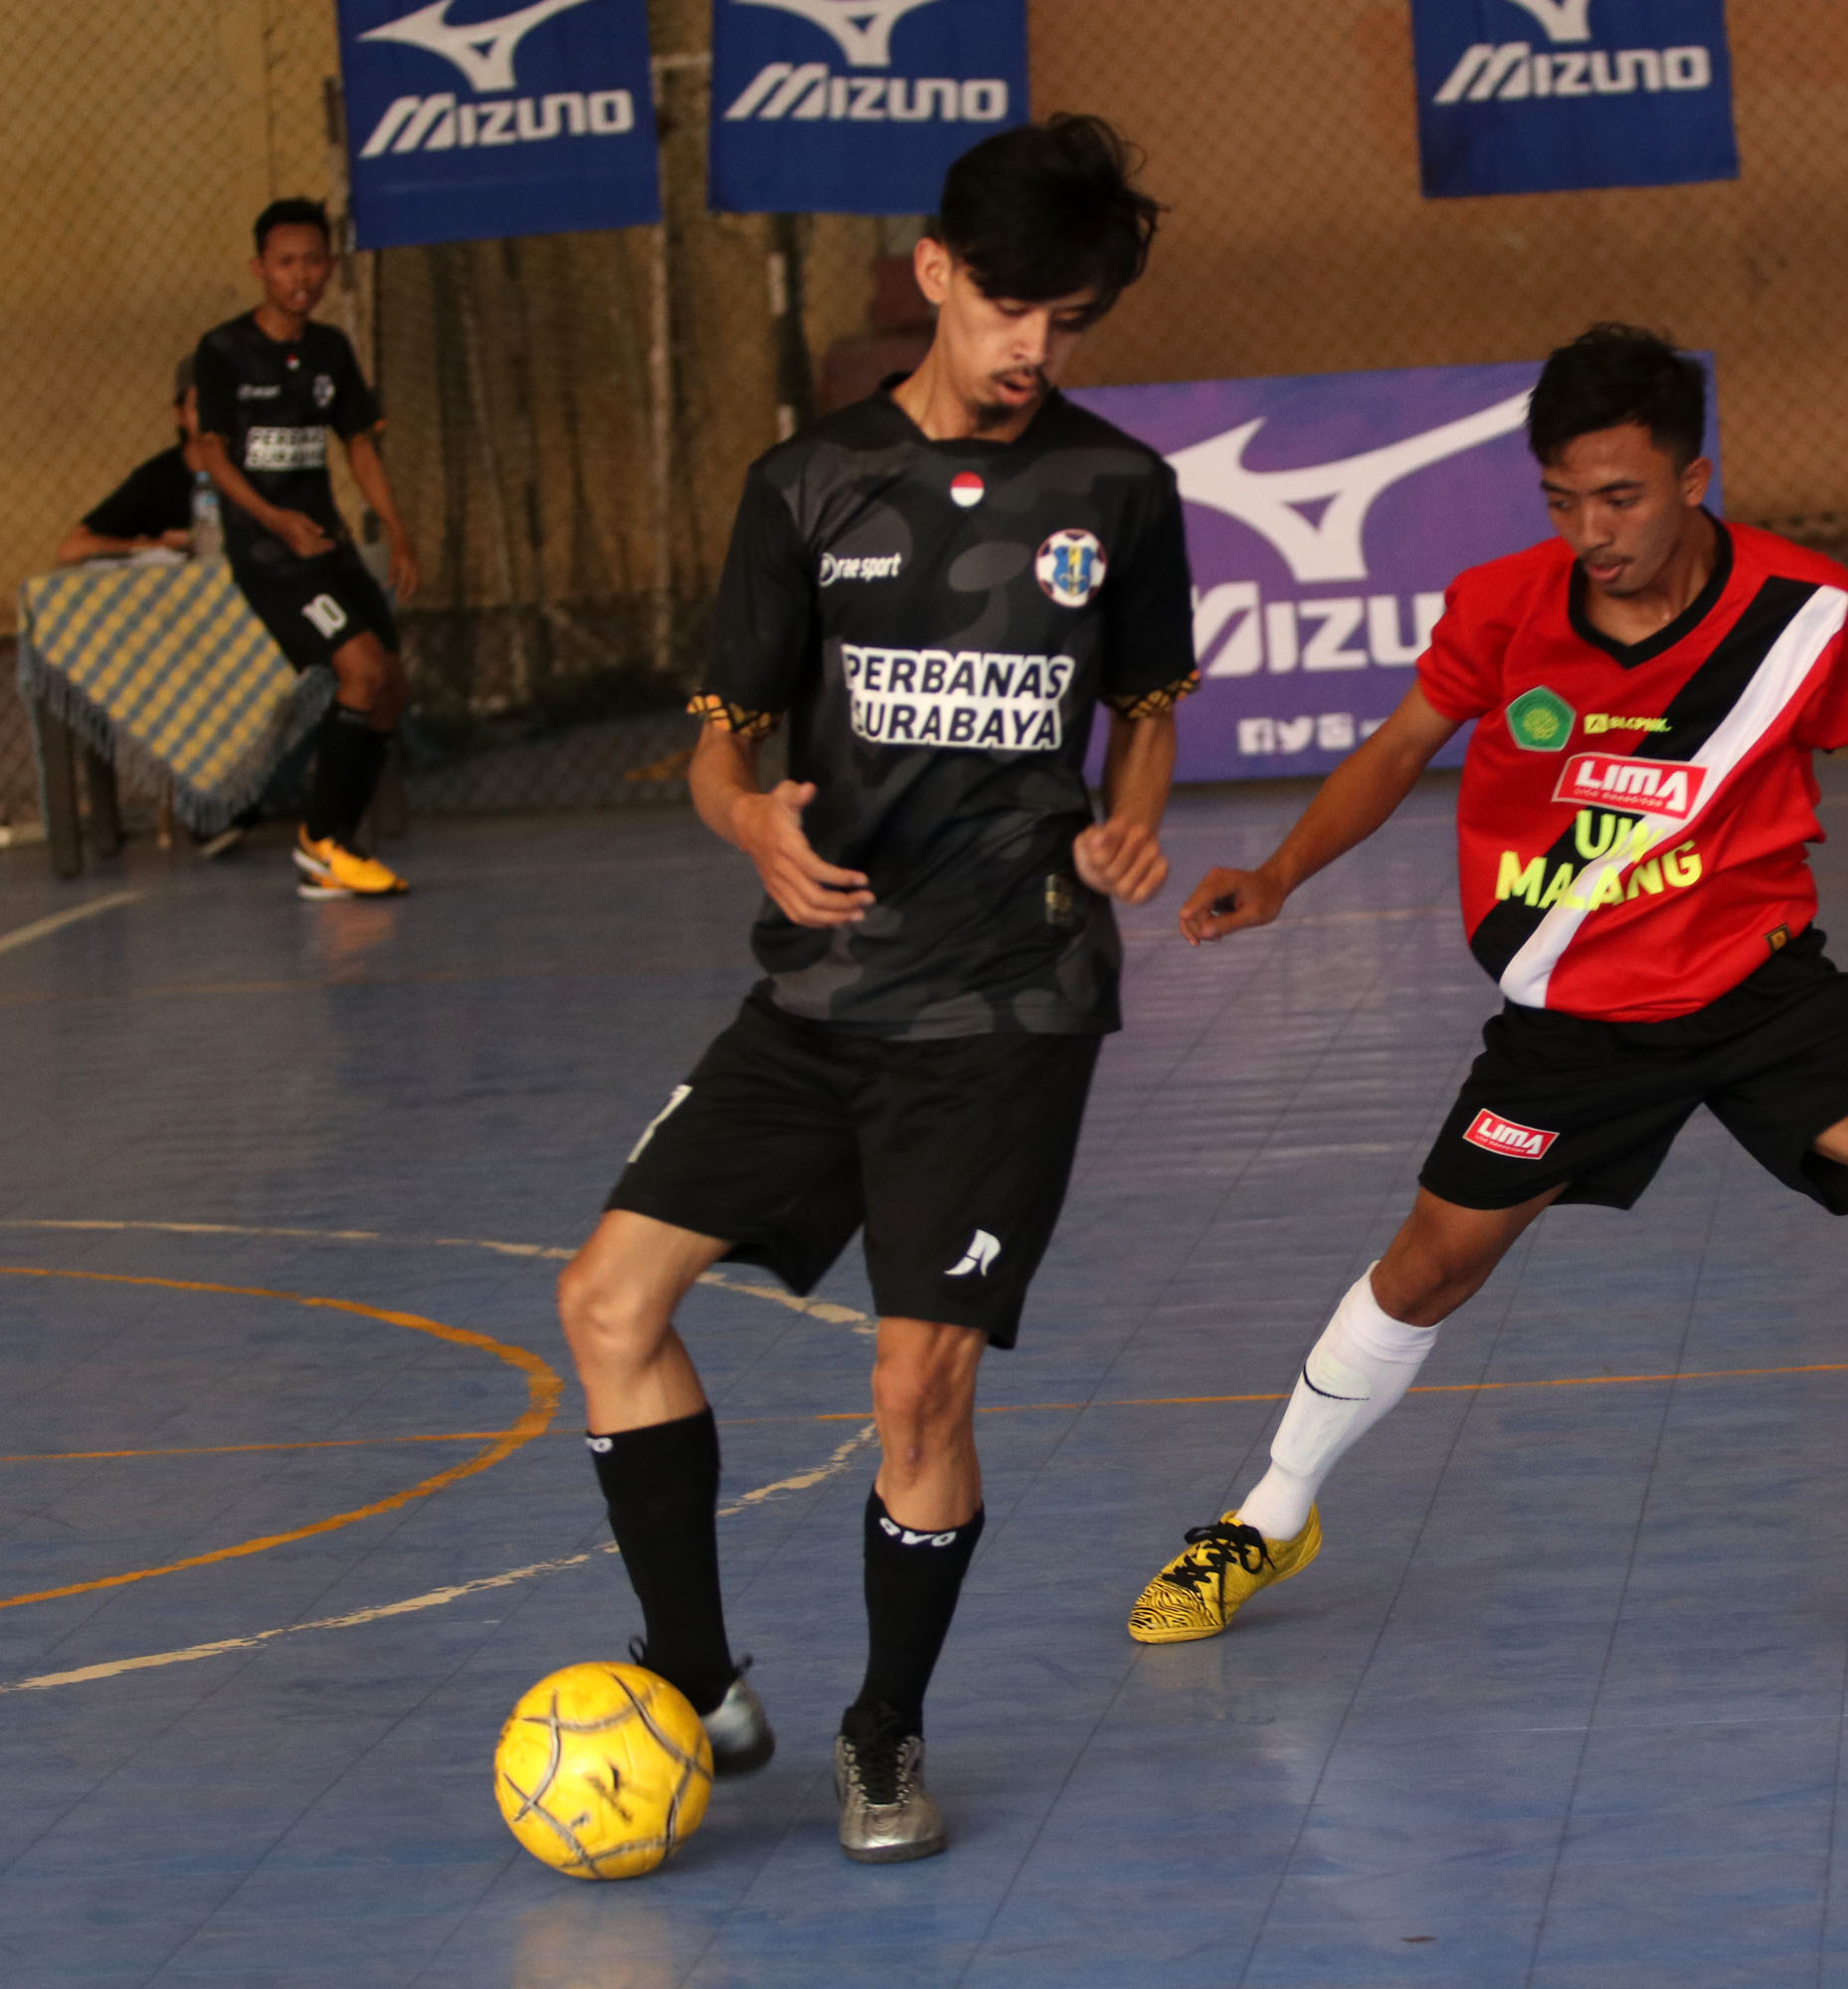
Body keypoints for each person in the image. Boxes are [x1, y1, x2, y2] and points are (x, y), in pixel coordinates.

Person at [1126, 325, 1848, 1647]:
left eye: (1621, 496)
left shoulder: (1805, 611)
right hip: (1572, 1024)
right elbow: (1401, 743)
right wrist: (1284, 873)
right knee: (1426, 1273)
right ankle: (1267, 1516)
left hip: (1761, 989)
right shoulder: (1501, 608)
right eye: (1563, 501)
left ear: (1694, 477)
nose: (1593, 529)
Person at [551, 116, 1190, 1866]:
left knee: (919, 1393)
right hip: (820, 998)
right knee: (608, 1304)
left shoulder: (1119, 492)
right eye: (1007, 310)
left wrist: (1131, 825)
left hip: (1007, 1015)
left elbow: (1147, 706)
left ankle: (885, 1731)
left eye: (1067, 324)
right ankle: (693, 1674)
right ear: (934, 276)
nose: (1031, 354)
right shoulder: (806, 485)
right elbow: (720, 752)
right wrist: (753, 824)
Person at [190, 198, 421, 901]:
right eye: (287, 262)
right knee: (358, 669)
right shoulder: (224, 351)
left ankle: (336, 840)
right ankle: (321, 843)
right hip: (272, 555)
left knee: (389, 687)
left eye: (314, 261)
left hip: (329, 544)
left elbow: (358, 443)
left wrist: (396, 528)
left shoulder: (329, 351)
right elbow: (213, 456)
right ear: (261, 268)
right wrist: (276, 520)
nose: (302, 275)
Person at [55, 363, 198, 567]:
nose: (212, 418)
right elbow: (73, 547)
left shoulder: (255, 460)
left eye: (222, 405)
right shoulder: (158, 477)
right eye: (199, 407)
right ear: (180, 414)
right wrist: (156, 546)